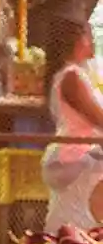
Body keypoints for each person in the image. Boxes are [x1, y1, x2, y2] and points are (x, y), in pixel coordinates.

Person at [42, 14, 103, 232]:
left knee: (74, 216)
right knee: (77, 221)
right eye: (89, 35)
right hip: (78, 157)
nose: (93, 41)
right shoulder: (72, 76)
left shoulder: (76, 74)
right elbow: (98, 118)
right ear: (78, 40)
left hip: (81, 155)